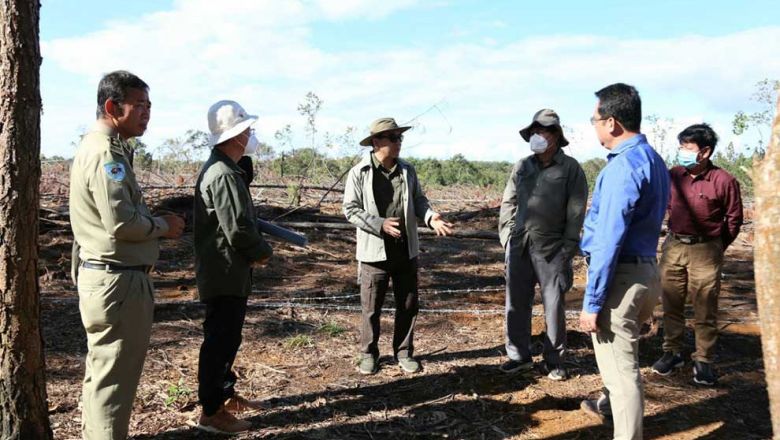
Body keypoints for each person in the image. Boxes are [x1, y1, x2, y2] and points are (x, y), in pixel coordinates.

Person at [69, 70, 185, 439]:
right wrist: (164, 226)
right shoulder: (105, 152)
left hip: (109, 278)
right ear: (111, 106)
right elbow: (121, 222)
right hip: (117, 282)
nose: (147, 113)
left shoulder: (104, 147)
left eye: (149, 105)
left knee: (104, 376)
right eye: (139, 105)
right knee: (114, 382)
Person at [578, 83, 670, 440]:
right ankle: (609, 409)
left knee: (622, 373)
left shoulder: (622, 167)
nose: (594, 126)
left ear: (612, 122)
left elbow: (608, 240)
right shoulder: (652, 159)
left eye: (594, 120)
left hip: (621, 276)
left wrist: (592, 302)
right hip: (646, 270)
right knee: (621, 361)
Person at [343, 117, 454, 375]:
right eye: (393, 138)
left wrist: (431, 217)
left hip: (405, 250)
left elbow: (419, 200)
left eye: (400, 137)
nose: (398, 142)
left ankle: (404, 353)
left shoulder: (407, 170)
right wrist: (379, 224)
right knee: (371, 308)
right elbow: (350, 209)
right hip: (374, 252)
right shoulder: (359, 172)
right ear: (376, 142)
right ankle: (368, 354)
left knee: (407, 305)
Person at [193, 100, 274, 434]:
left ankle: (224, 396)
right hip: (224, 270)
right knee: (220, 342)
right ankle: (212, 412)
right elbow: (238, 228)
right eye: (247, 130)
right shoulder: (223, 174)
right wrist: (262, 252)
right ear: (236, 135)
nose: (251, 134)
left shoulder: (229, 169)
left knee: (228, 338)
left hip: (228, 269)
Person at [498, 109, 588, 380]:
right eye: (534, 131)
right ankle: (519, 356)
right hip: (519, 245)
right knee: (516, 303)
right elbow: (508, 202)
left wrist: (567, 248)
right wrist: (507, 237)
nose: (537, 136)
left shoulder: (570, 168)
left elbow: (576, 211)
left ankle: (554, 360)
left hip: (552, 249)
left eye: (543, 131)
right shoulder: (522, 166)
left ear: (556, 135)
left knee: (554, 306)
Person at [651, 123, 743, 385]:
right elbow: (664, 205)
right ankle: (672, 352)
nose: (682, 152)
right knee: (671, 303)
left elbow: (734, 219)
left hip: (706, 249)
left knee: (705, 307)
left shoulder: (724, 181)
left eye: (687, 148)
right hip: (674, 246)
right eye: (681, 147)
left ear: (705, 152)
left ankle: (703, 360)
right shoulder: (673, 175)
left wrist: (717, 246)